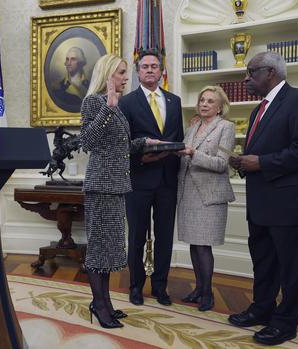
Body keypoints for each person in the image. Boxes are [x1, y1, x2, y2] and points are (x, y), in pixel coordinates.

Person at [227, 51, 298, 346]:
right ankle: (262, 308)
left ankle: (285, 323)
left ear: (269, 72)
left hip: (291, 205)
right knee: (264, 262)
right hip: (262, 203)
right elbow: (267, 151)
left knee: (293, 267)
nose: (246, 79)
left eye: (250, 72)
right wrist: (244, 162)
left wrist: (262, 163)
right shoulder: (259, 109)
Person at [80, 53, 160, 329]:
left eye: (127, 73)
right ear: (108, 74)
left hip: (117, 186)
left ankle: (105, 303)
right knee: (98, 251)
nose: (127, 77)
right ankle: (99, 305)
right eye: (122, 73)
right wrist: (107, 108)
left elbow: (118, 146)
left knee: (109, 249)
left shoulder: (117, 106)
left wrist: (141, 142)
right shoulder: (94, 102)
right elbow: (87, 142)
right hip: (101, 187)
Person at [118, 49, 184, 306]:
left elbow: (176, 137)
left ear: (161, 71)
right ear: (138, 72)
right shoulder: (127, 102)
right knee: (136, 236)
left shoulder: (174, 101)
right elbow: (123, 142)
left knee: (165, 236)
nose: (149, 70)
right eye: (144, 66)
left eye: (154, 66)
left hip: (168, 180)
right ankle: (136, 286)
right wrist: (141, 156)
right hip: (138, 179)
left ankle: (160, 286)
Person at [176, 86, 235, 311]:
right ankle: (199, 289)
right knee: (193, 243)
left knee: (203, 247)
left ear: (220, 108)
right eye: (202, 100)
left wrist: (193, 154)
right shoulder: (192, 127)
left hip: (209, 196)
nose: (204, 104)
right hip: (188, 193)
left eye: (210, 101)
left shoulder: (226, 128)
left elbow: (222, 164)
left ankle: (208, 293)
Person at [53, 46, 91, 113]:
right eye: (67, 59)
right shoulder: (59, 87)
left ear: (80, 62)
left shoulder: (90, 85)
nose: (68, 63)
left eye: (73, 59)